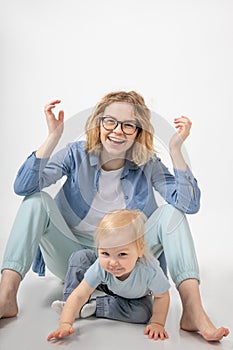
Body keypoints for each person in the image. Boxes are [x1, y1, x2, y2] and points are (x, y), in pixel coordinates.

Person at [0, 91, 229, 341]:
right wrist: (53, 137)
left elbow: (188, 204)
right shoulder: (75, 153)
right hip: (72, 258)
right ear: (98, 124)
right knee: (35, 201)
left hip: (129, 264)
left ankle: (193, 311)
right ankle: (6, 296)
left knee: (172, 211)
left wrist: (176, 150)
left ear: (138, 132)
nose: (117, 131)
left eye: (128, 125)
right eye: (110, 121)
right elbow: (24, 187)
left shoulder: (148, 164)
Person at [47, 209, 170, 341]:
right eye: (105, 253)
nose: (112, 262)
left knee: (143, 313)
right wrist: (65, 323)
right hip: (107, 284)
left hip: (135, 297)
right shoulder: (101, 265)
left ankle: (97, 307)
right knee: (81, 257)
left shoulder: (149, 269)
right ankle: (69, 307)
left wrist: (157, 323)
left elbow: (162, 296)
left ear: (140, 249)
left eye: (122, 254)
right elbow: (80, 293)